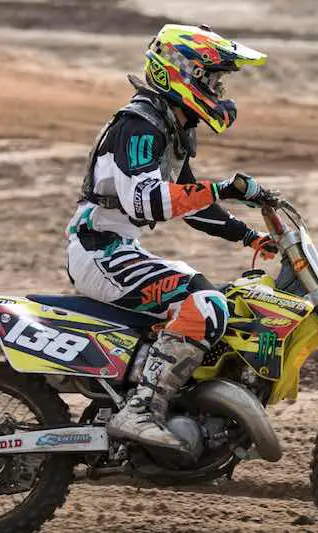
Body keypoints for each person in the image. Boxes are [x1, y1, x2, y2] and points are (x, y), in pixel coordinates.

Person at [66, 23, 277, 451]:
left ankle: (179, 409)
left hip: (117, 246)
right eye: (212, 79)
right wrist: (225, 188)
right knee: (204, 302)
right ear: (183, 72)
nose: (218, 90)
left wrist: (251, 237)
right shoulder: (139, 126)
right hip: (98, 249)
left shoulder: (167, 124)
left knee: (222, 303)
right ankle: (141, 408)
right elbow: (149, 202)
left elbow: (193, 206)